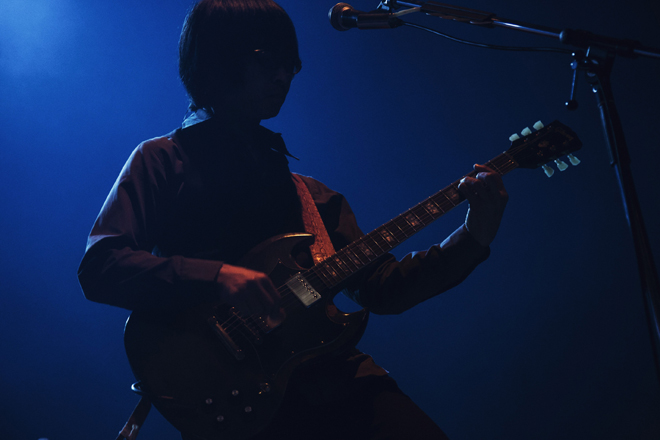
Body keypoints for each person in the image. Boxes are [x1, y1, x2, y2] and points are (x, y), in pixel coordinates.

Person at [77, 0, 508, 439]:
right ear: (220, 57)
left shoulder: (311, 194)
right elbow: (101, 267)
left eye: (292, 65)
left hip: (339, 380)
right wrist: (218, 277)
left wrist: (473, 235)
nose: (284, 76)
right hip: (240, 406)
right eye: (268, 60)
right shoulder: (162, 161)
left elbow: (382, 288)